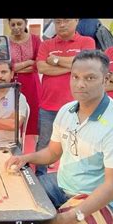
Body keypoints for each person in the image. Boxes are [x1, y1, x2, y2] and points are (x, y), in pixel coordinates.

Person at [5, 50, 113, 224]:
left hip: (104, 200)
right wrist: (26, 158)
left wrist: (74, 215)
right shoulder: (67, 111)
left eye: (90, 78)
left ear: (106, 79)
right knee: (13, 212)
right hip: (63, 185)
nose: (80, 84)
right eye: (75, 77)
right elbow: (53, 152)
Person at [35, 19, 95, 176]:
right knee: (44, 143)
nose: (61, 25)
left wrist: (55, 60)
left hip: (77, 107)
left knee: (78, 145)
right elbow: (41, 67)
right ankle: (40, 177)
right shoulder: (46, 44)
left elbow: (87, 65)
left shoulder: (87, 41)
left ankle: (75, 179)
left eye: (66, 20)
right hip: (48, 105)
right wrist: (73, 67)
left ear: (76, 21)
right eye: (58, 21)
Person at [8, 18, 42, 137]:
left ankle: (31, 147)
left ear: (25, 23)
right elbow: (5, 67)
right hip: (11, 84)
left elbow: (39, 63)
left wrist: (15, 67)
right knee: (12, 113)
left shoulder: (35, 40)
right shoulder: (5, 42)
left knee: (33, 113)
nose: (16, 27)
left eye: (19, 23)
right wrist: (28, 62)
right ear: (9, 25)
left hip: (32, 84)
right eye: (13, 24)